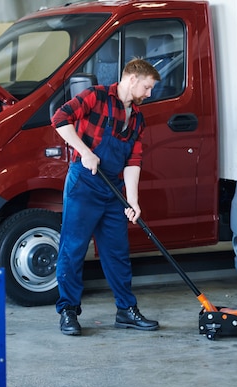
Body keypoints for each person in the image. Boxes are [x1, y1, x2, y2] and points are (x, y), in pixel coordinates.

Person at [51, 58, 161, 336]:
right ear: (133, 79)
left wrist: (133, 200)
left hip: (112, 188)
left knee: (117, 253)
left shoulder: (137, 117)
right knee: (73, 249)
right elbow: (59, 119)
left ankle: (126, 310)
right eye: (147, 87)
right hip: (84, 184)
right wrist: (84, 151)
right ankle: (68, 311)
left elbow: (134, 160)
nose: (149, 94)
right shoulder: (96, 96)